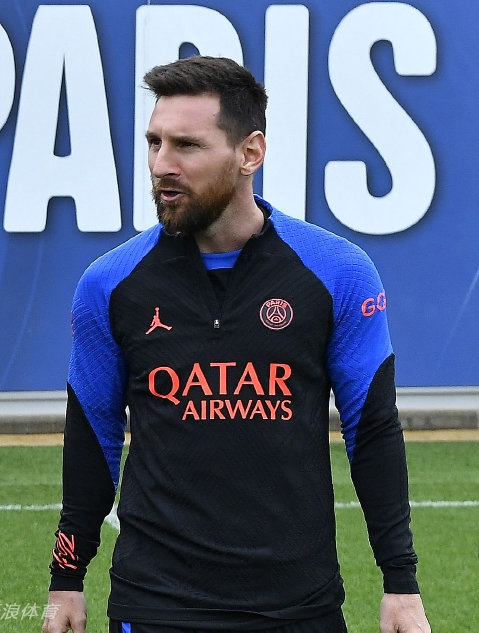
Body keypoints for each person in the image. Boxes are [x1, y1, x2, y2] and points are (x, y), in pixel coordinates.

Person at [44, 56, 430, 633]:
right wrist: (66, 580)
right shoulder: (109, 283)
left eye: (186, 146)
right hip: (155, 605)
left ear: (250, 153)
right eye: (154, 143)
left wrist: (400, 582)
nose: (162, 164)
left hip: (298, 606)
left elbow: (372, 431)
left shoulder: (338, 273)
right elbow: (91, 439)